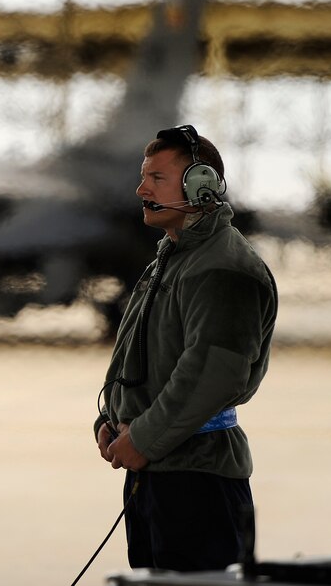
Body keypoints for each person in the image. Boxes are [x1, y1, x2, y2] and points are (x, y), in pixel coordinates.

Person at [93, 124, 278, 572]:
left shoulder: (223, 269)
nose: (141, 189)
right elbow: (138, 357)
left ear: (201, 187)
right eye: (144, 177)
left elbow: (212, 375)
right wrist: (112, 419)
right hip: (158, 473)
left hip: (199, 482)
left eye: (156, 178)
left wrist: (143, 437)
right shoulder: (175, 258)